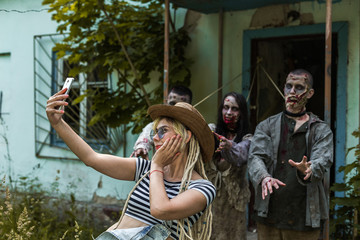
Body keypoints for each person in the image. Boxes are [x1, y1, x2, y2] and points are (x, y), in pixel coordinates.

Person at [46, 89, 216, 240]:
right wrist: (57, 123)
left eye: (163, 131)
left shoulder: (202, 188)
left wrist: (156, 165)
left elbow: (160, 209)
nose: (155, 138)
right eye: (155, 132)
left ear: (185, 137)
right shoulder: (145, 169)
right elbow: (91, 158)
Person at [247, 69, 333, 240]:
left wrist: (309, 168)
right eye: (289, 86)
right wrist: (264, 177)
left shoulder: (320, 129)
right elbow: (255, 157)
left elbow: (323, 159)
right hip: (269, 213)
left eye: (299, 87)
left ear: (310, 93)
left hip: (305, 217)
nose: (292, 91)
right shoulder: (267, 126)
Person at [205, 92, 252, 240]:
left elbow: (241, 154)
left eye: (234, 109)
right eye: (226, 107)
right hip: (210, 199)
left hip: (234, 202)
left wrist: (228, 146)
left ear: (242, 112)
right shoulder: (211, 130)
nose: (229, 112)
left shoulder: (248, 138)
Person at [131, 85, 193, 159]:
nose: (155, 138)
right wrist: (141, 146)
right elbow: (146, 136)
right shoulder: (154, 126)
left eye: (164, 130)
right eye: (171, 104)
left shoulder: (194, 128)